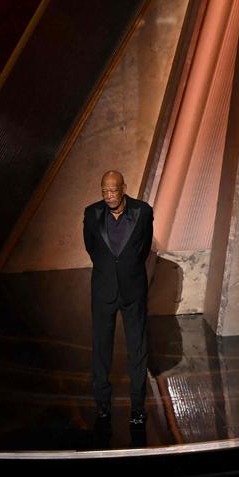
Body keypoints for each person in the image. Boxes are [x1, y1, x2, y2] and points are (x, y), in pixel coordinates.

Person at [83, 170, 155, 427]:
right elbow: (91, 248)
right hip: (103, 291)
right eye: (104, 191)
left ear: (124, 188)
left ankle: (137, 407)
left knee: (137, 348)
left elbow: (144, 249)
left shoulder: (143, 212)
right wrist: (110, 270)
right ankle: (102, 405)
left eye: (113, 190)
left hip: (132, 290)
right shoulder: (91, 213)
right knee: (101, 349)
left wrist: (126, 268)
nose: (109, 196)